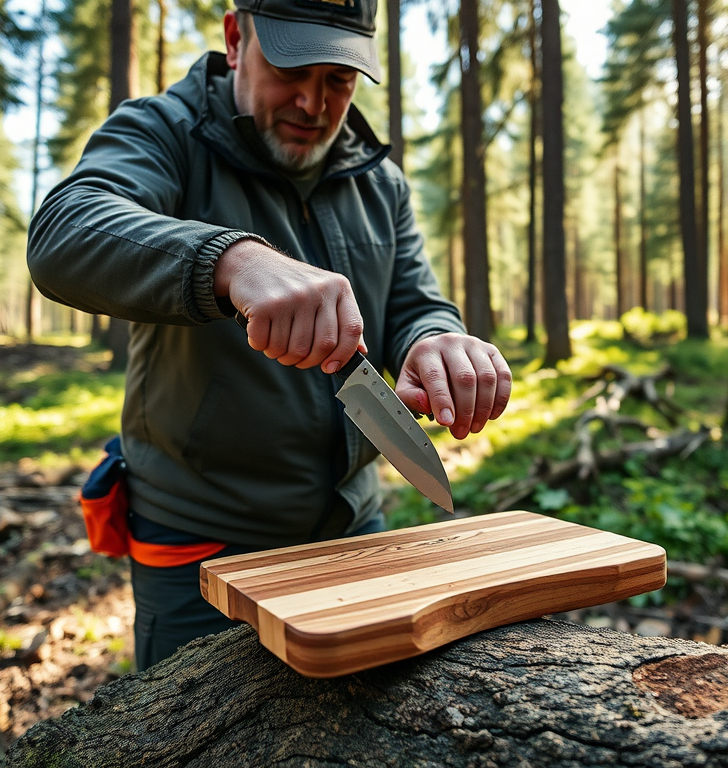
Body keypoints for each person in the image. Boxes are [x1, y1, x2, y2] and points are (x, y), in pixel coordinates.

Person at [27, 0, 512, 670]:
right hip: (201, 548)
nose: (314, 102)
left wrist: (438, 338)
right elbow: (66, 232)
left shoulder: (378, 179)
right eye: (292, 68)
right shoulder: (164, 133)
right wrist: (230, 261)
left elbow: (414, 302)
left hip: (355, 532)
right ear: (236, 38)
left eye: (339, 80)